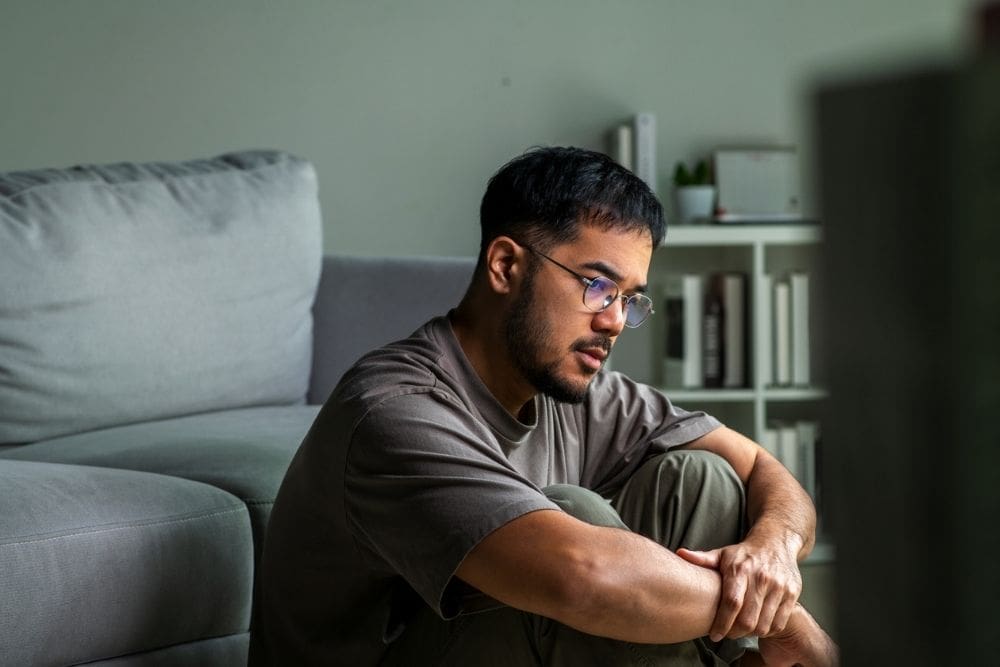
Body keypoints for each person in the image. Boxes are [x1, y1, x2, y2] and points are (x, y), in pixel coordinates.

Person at [249, 146, 838, 666]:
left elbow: (761, 468)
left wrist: (772, 555)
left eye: (630, 299)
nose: (614, 322)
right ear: (506, 265)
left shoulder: (572, 383)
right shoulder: (395, 409)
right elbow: (585, 577)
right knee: (577, 521)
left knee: (701, 478)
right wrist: (782, 618)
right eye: (597, 286)